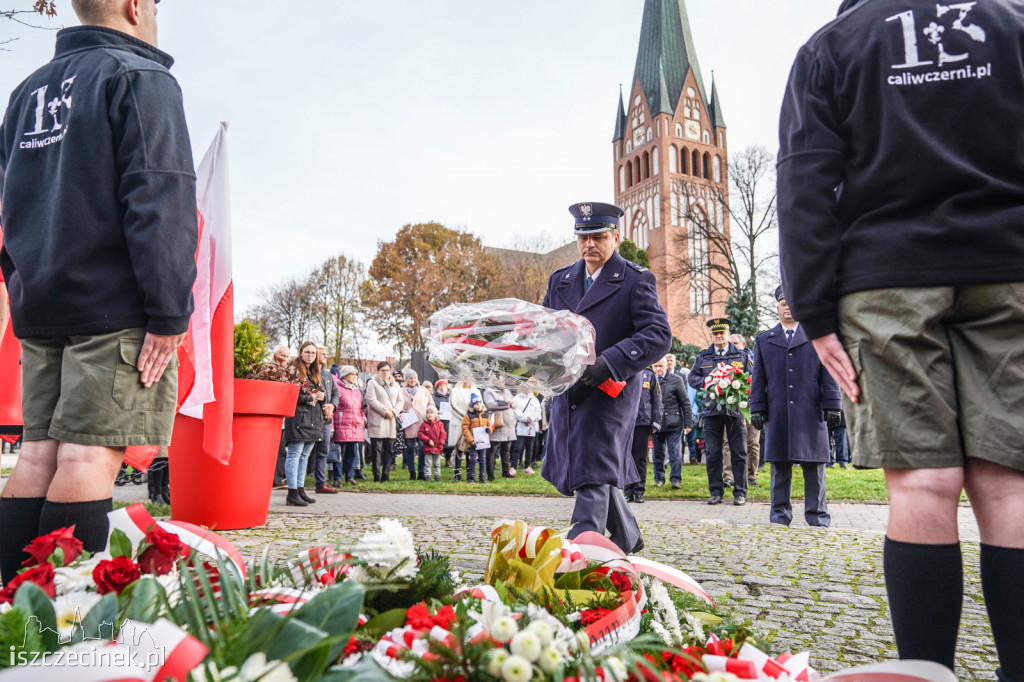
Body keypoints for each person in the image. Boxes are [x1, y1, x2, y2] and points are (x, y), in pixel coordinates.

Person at [778, 1, 1024, 677]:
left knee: (922, 485)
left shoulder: (835, 44)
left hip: (888, 278)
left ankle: (927, 673)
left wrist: (815, 311)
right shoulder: (1012, 21)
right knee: (1012, 488)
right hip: (1011, 267)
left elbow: (804, 181)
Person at [0, 0, 197, 584]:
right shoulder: (141, 78)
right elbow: (159, 199)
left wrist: (19, 276)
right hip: (115, 306)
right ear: (136, 6)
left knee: (38, 454)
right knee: (87, 458)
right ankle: (65, 632)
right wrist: (168, 311)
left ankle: (17, 619)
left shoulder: (26, 93)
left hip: (40, 303)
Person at [542, 202, 672, 554]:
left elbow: (658, 335)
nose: (589, 245)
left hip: (610, 393)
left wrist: (611, 362)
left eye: (598, 237)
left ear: (616, 236)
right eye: (583, 238)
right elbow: (544, 331)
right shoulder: (561, 280)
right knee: (592, 465)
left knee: (595, 468)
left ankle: (581, 557)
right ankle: (627, 536)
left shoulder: (634, 279)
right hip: (569, 393)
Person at [749, 286, 841, 527]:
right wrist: (757, 407)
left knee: (815, 467)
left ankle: (818, 516)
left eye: (792, 302)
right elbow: (758, 377)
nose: (787, 306)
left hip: (811, 411)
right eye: (783, 302)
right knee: (779, 467)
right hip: (778, 411)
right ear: (777, 307)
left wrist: (833, 403)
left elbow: (829, 371)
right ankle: (779, 516)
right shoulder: (764, 340)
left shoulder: (818, 336)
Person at [688, 318, 752, 506]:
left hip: (735, 410)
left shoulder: (741, 356)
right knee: (713, 452)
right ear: (712, 336)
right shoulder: (703, 357)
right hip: (711, 411)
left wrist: (739, 389)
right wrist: (708, 383)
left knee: (739, 452)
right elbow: (692, 378)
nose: (719, 337)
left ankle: (740, 492)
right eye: (715, 334)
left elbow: (752, 378)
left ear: (728, 334)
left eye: (722, 333)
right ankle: (716, 492)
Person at [283, 342, 326, 507]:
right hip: (298, 419)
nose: (310, 355)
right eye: (307, 352)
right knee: (294, 454)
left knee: (304, 456)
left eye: (313, 353)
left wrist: (322, 397)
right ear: (300, 353)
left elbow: (319, 394)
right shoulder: (293, 372)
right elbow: (289, 394)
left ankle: (300, 490)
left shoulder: (314, 373)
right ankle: (292, 492)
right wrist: (310, 398)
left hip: (313, 420)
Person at [723, 334, 762, 487]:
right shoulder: (724, 359)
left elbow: (758, 380)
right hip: (732, 407)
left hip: (751, 407)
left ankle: (752, 475)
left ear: (743, 344)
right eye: (730, 343)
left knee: (752, 442)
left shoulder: (753, 359)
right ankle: (729, 476)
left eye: (735, 343)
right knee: (728, 442)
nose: (733, 346)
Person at [650, 355, 691, 492]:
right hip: (656, 423)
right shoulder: (650, 380)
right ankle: (659, 479)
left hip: (674, 423)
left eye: (661, 366)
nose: (658, 369)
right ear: (652, 367)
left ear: (666, 365)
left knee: (675, 453)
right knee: (658, 454)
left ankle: (675, 479)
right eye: (656, 366)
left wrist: (688, 423)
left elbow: (685, 402)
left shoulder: (676, 380)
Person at [625, 364, 661, 503]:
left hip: (643, 422)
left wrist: (656, 421)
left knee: (640, 458)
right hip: (626, 421)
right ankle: (628, 490)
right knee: (627, 457)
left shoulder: (649, 375)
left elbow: (657, 399)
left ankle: (639, 491)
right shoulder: (625, 370)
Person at [365, 361, 402, 482]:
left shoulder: (395, 385)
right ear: (378, 371)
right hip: (378, 419)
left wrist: (395, 412)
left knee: (389, 449)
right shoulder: (372, 383)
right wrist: (385, 411)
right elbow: (371, 400)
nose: (385, 372)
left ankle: (386, 475)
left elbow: (400, 401)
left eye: (387, 370)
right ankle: (377, 475)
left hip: (391, 420)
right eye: (382, 370)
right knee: (376, 450)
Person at [310, 346, 339, 495]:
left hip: (326, 420)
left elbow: (335, 393)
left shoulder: (328, 375)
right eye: (322, 354)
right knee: (306, 451)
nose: (325, 356)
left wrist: (332, 406)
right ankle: (298, 484)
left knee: (323, 451)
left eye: (326, 354)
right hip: (312, 419)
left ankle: (321, 483)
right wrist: (323, 405)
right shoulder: (309, 373)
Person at [332, 365, 366, 486]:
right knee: (340, 453)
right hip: (342, 425)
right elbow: (334, 407)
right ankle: (337, 477)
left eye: (355, 375)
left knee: (352, 453)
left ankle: (350, 476)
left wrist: (363, 418)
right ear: (345, 375)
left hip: (355, 426)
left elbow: (361, 407)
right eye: (352, 374)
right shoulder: (337, 388)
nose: (354, 377)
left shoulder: (357, 390)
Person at [400, 369, 431, 480]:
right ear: (406, 380)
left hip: (422, 423)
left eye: (414, 378)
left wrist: (430, 413)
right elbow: (397, 403)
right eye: (410, 378)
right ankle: (412, 471)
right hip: (409, 423)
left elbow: (430, 404)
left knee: (422, 447)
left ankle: (421, 471)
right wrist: (400, 410)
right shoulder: (401, 391)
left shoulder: (423, 390)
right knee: (410, 448)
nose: (413, 380)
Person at [482, 378, 515, 480]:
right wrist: (506, 404)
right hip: (496, 424)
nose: (501, 383)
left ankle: (506, 472)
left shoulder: (507, 391)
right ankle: (490, 474)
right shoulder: (489, 391)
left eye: (502, 381)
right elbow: (490, 405)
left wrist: (512, 404)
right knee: (492, 450)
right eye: (499, 381)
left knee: (506, 450)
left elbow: (514, 404)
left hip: (508, 425)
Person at [447, 379, 475, 482]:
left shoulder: (475, 390)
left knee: (470, 447)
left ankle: (469, 472)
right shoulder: (456, 390)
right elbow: (453, 406)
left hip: (472, 423)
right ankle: (457, 472)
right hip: (459, 421)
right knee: (459, 447)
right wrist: (466, 416)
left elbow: (480, 405)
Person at [460, 394, 491, 484]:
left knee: (482, 459)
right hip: (473, 442)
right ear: (472, 405)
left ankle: (482, 477)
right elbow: (465, 429)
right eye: (476, 404)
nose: (478, 405)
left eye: (479, 403)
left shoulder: (486, 415)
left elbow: (489, 426)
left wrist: (489, 430)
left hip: (483, 442)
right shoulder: (468, 415)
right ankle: (471, 477)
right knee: (472, 460)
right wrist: (471, 440)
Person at [510, 388, 542, 475]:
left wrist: (531, 419)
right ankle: (513, 466)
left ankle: (527, 466)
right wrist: (524, 418)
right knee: (517, 447)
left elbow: (538, 413)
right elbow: (514, 411)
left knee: (529, 447)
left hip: (531, 426)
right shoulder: (516, 398)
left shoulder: (534, 399)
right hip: (520, 425)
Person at [417, 405, 446, 482]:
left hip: (438, 447)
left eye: (431, 413)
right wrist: (428, 440)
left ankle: (437, 476)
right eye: (428, 413)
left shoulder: (440, 424)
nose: (429, 414)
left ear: (435, 414)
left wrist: (441, 442)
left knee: (437, 463)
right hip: (428, 448)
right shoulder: (424, 424)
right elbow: (420, 434)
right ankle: (428, 476)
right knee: (428, 463)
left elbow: (443, 434)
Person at [432, 379, 453, 466]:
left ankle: (448, 460)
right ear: (437, 387)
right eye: (441, 385)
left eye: (444, 385)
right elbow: (432, 407)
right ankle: (436, 460)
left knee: (449, 441)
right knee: (438, 440)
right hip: (439, 421)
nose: (443, 387)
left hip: (450, 421)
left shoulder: (451, 396)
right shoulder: (434, 397)